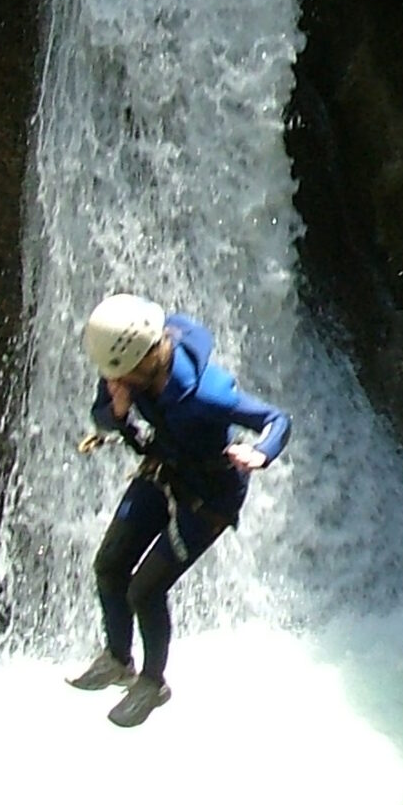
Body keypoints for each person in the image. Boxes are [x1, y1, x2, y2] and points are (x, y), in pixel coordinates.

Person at [67, 293, 292, 725]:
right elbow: (102, 416)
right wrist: (116, 412)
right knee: (109, 565)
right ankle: (118, 657)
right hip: (166, 467)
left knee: (145, 589)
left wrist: (261, 453)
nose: (113, 381)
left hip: (211, 494)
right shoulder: (125, 366)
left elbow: (276, 419)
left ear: (145, 360)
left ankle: (153, 683)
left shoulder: (207, 394)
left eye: (119, 377)